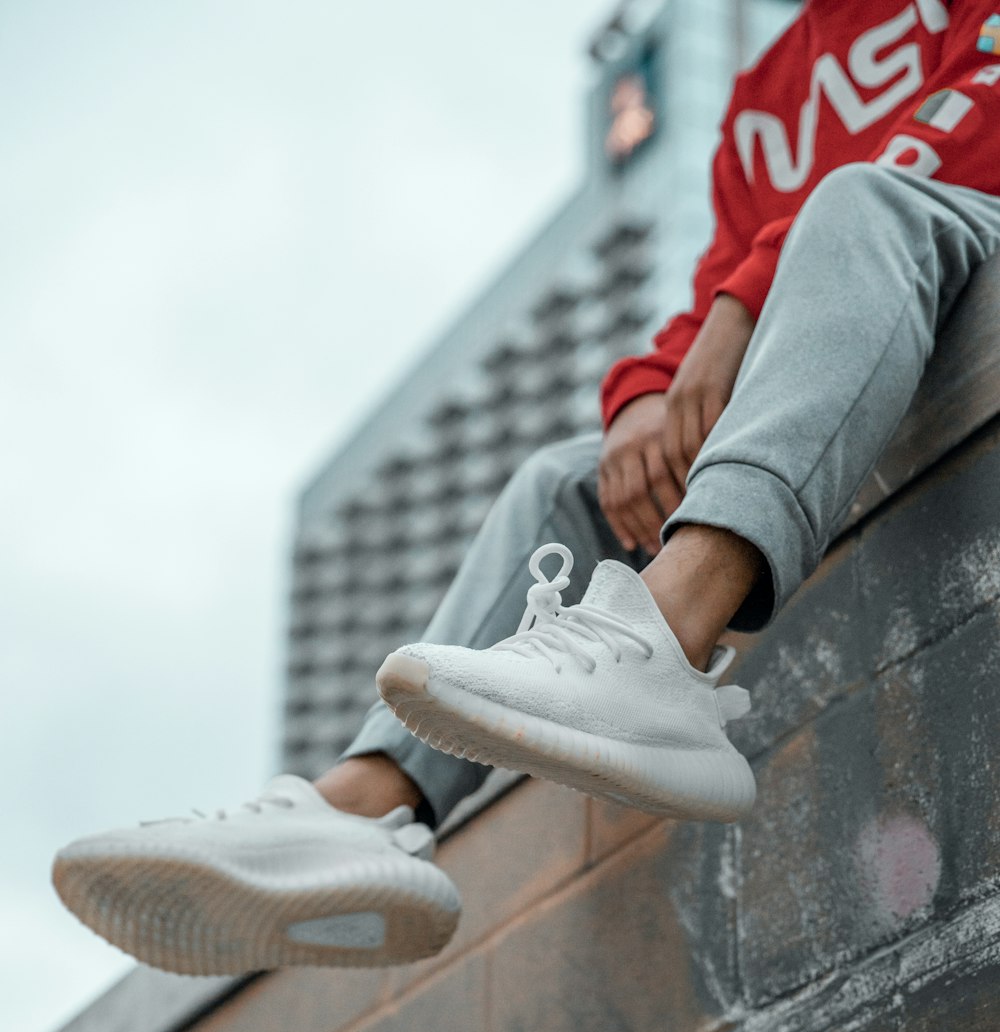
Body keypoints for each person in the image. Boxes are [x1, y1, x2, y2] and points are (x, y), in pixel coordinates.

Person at [53, 0, 1000, 976]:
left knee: (857, 202)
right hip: (848, 329)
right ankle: (365, 805)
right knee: (562, 474)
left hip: (967, 251)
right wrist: (641, 398)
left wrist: (749, 294)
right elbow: (717, 289)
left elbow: (965, 128)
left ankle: (665, 647)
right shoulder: (762, 98)